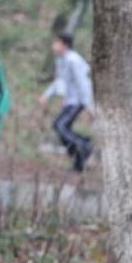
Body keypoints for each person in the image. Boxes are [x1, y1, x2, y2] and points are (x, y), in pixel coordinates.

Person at [39, 33, 94, 172]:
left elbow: (83, 83)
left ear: (64, 45)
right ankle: (79, 161)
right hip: (70, 101)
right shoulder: (62, 60)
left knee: (60, 126)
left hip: (77, 101)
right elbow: (60, 81)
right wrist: (46, 95)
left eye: (56, 42)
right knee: (62, 128)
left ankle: (85, 145)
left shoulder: (73, 60)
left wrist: (88, 105)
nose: (54, 46)